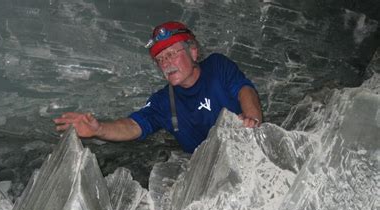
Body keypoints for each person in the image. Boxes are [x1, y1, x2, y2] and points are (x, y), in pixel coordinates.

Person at [54, 21, 262, 153]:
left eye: (172, 53)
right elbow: (133, 126)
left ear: (193, 52)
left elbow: (244, 89)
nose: (166, 63)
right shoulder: (164, 101)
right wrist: (99, 129)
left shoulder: (216, 66)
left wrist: (251, 120)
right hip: (209, 171)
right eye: (160, 59)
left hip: (246, 148)